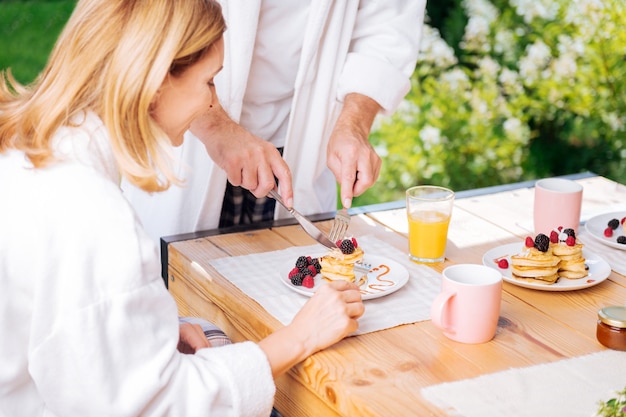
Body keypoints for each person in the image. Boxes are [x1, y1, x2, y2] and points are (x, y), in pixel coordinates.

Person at [0, 1, 364, 416]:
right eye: (209, 82)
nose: (212, 102)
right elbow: (155, 407)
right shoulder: (91, 214)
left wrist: (152, 336)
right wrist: (300, 336)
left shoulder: (31, 155)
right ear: (156, 81)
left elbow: (72, 334)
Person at [122, 1, 427, 244]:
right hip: (192, 143)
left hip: (303, 143)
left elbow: (389, 24)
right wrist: (216, 127)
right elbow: (148, 21)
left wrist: (354, 123)